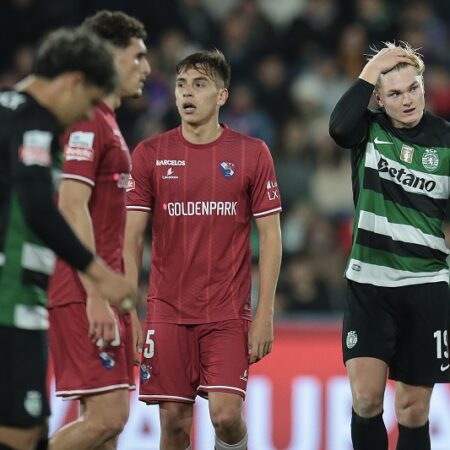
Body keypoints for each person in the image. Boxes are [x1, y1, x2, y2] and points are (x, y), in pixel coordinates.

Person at [124, 49, 282, 450]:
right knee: (174, 423)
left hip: (227, 313)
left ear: (222, 96)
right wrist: (128, 311)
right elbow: (131, 239)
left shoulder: (251, 153)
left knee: (226, 416)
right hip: (168, 311)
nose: (187, 93)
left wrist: (264, 313)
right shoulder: (149, 154)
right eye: (181, 85)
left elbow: (271, 237)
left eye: (199, 84)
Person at [0, 28, 137, 450]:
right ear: (72, 81)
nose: (82, 117)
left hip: (24, 298)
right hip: (12, 301)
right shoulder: (33, 121)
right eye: (84, 103)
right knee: (24, 435)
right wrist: (99, 276)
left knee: (33, 432)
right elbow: (44, 207)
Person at [329, 41, 450, 450]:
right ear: (378, 99)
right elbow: (338, 128)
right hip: (370, 283)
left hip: (428, 284)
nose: (407, 100)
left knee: (413, 410)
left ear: (423, 86)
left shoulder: (446, 141)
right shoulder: (367, 131)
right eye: (394, 93)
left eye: (412, 88)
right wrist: (373, 68)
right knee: (365, 400)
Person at [47, 11, 150, 450]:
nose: (146, 67)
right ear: (109, 56)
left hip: (103, 290)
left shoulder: (108, 122)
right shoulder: (87, 120)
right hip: (82, 288)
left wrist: (126, 305)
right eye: (137, 56)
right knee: (109, 417)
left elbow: (113, 227)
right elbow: (71, 204)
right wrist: (94, 295)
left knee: (104, 433)